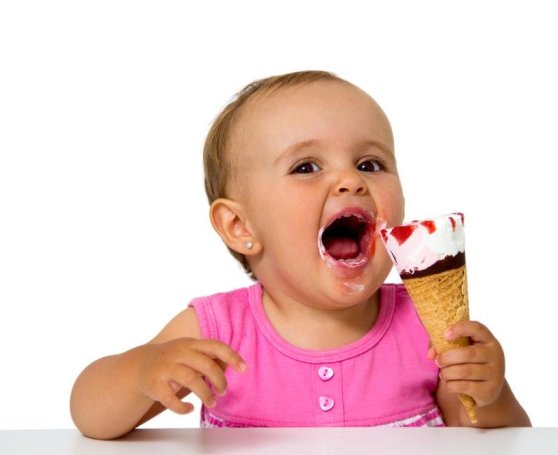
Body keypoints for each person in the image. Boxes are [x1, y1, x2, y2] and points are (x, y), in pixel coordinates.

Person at [70, 70, 531, 439]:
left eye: (370, 164)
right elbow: (90, 414)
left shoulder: (426, 328)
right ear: (241, 227)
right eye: (306, 167)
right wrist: (141, 373)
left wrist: (489, 393)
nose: (351, 181)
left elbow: (498, 439)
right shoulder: (218, 332)